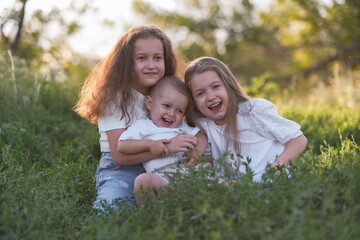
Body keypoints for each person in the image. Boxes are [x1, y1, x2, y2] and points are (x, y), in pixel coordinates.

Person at [73, 25, 198, 212]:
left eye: (158, 58)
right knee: (112, 211)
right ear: (127, 62)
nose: (151, 65)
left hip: (167, 165)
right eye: (141, 58)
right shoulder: (115, 97)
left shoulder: (169, 94)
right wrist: (168, 147)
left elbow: (196, 128)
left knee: (186, 205)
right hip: (123, 167)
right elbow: (118, 155)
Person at [184, 57, 308, 182]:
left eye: (215, 86)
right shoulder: (204, 125)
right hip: (239, 192)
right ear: (193, 102)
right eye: (200, 93)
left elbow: (298, 140)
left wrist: (274, 170)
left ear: (228, 85)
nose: (210, 97)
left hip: (273, 183)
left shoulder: (252, 111)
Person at [117, 76, 207, 204]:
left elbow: (200, 136)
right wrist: (150, 144)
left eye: (179, 111)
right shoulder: (142, 126)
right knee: (142, 181)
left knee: (211, 172)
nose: (171, 114)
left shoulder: (182, 126)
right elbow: (122, 146)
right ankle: (151, 218)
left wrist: (195, 154)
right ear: (149, 103)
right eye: (166, 106)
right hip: (163, 178)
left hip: (188, 172)